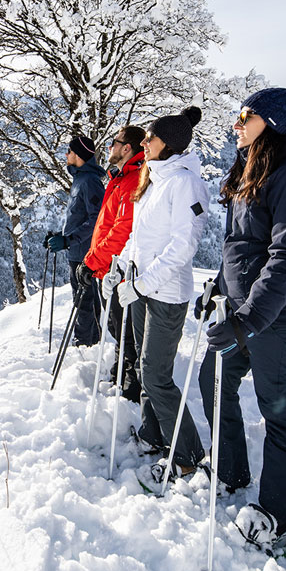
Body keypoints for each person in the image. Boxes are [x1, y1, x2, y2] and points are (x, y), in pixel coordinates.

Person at [197, 84, 286, 548]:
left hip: (280, 318)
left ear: (271, 124)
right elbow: (240, 244)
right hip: (245, 312)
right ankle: (231, 470)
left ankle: (283, 514)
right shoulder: (255, 167)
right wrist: (219, 285)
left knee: (280, 411)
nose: (236, 124)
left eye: (245, 116)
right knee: (213, 377)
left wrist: (248, 318)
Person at [104, 107, 209, 478]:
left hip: (165, 294)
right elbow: (140, 235)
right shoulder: (154, 178)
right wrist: (121, 265)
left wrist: (143, 283)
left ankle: (187, 455)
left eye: (150, 138)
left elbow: (183, 246)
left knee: (155, 374)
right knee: (142, 367)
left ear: (170, 144)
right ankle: (153, 433)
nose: (143, 143)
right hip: (139, 286)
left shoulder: (185, 183)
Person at [76, 125, 146, 402]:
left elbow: (121, 231)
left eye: (114, 143)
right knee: (117, 327)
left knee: (125, 328)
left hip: (118, 271)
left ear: (127, 147)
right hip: (107, 269)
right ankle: (121, 373)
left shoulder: (132, 180)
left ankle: (130, 388)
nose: (109, 148)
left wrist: (93, 261)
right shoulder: (120, 177)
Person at [48, 135, 105, 347]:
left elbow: (96, 219)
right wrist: (61, 236)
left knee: (82, 297)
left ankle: (84, 342)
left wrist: (69, 239)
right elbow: (79, 215)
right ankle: (92, 339)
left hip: (83, 251)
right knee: (85, 295)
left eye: (70, 151)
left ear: (79, 155)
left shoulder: (90, 181)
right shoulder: (81, 179)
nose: (66, 155)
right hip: (77, 248)